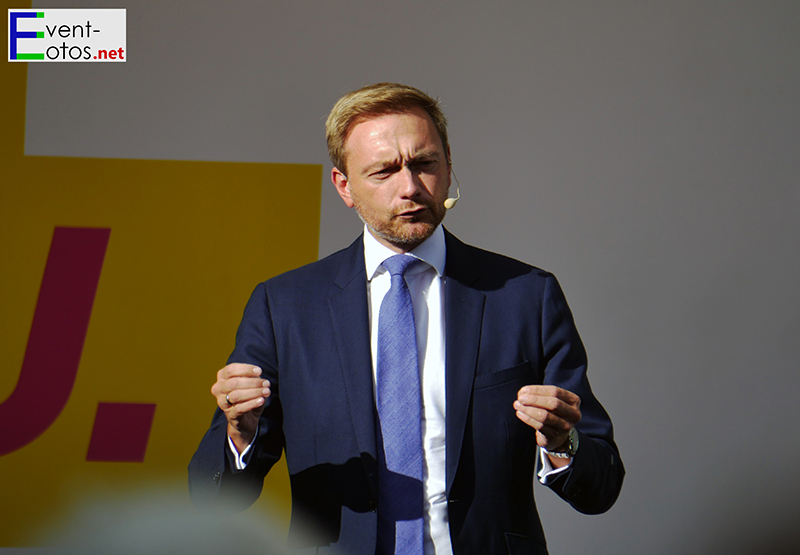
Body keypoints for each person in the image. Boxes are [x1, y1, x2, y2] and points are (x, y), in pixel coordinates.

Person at [189, 82, 624, 555]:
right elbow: (214, 498)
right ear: (344, 186)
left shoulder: (523, 296)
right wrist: (241, 433)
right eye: (383, 171)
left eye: (424, 164)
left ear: (449, 164)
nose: (411, 187)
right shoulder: (285, 306)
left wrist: (561, 442)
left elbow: (601, 486)